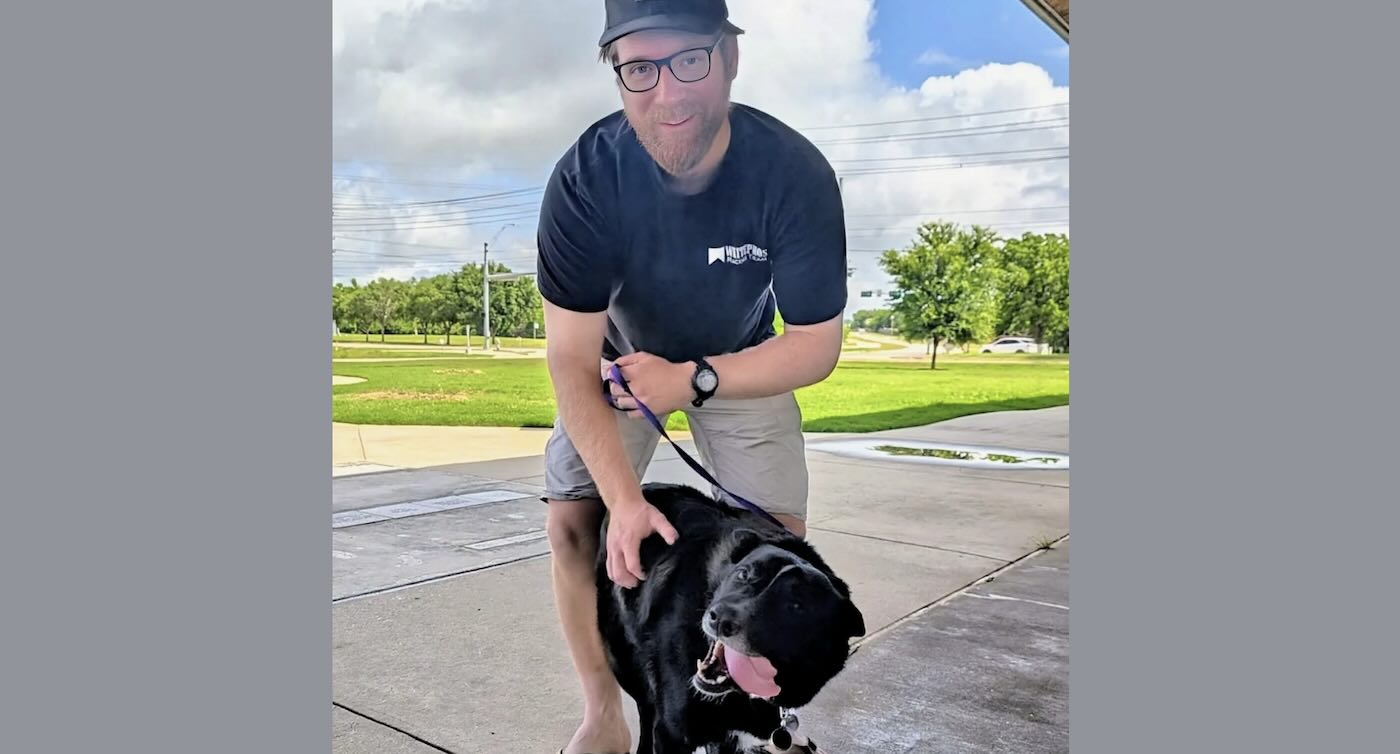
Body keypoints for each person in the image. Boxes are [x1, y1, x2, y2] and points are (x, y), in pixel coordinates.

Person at [534, 2, 848, 752]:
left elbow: (815, 345)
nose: (666, 92)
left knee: (775, 544)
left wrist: (695, 381)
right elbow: (569, 358)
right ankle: (604, 713)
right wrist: (622, 500)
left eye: (688, 61)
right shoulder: (584, 181)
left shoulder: (792, 173)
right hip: (619, 365)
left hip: (738, 361)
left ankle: (743, 707)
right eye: (640, 67)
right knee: (573, 523)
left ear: (730, 59)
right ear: (617, 73)